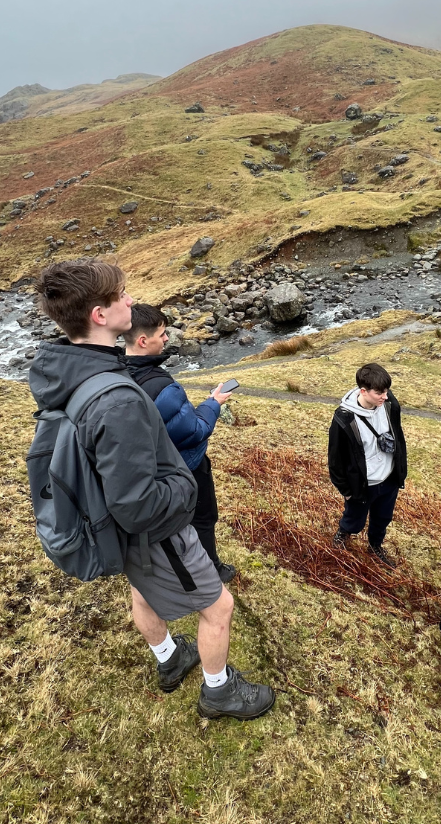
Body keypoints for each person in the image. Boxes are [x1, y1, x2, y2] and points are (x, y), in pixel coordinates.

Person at [28, 259, 274, 720]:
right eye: (122, 294)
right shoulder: (116, 397)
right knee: (219, 606)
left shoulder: (72, 371)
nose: (129, 301)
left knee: (142, 592)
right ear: (100, 316)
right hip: (156, 529)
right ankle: (218, 693)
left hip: (114, 524)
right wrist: (184, 488)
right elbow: (138, 504)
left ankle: (170, 658)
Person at [122, 304, 236, 584]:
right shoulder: (162, 387)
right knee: (203, 517)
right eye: (161, 334)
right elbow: (193, 431)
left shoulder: (115, 372)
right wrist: (213, 404)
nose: (167, 339)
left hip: (145, 470)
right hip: (184, 468)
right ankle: (211, 569)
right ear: (142, 340)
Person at [328, 363, 407, 568]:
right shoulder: (344, 419)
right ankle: (343, 534)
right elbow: (335, 459)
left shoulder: (390, 405)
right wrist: (346, 491)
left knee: (383, 518)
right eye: (380, 392)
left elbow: (398, 437)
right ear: (363, 391)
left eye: (387, 391)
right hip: (363, 485)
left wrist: (399, 472)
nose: (386, 396)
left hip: (388, 479)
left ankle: (375, 546)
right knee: (354, 519)